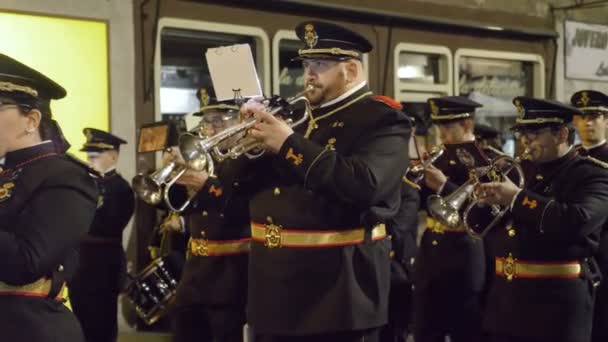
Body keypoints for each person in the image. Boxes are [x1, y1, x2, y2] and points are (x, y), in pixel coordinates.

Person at [239, 20, 411, 341]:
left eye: (321, 64)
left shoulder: (382, 119)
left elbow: (365, 184)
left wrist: (288, 143)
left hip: (336, 295)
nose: (309, 74)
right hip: (273, 289)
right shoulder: (296, 116)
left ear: (351, 71)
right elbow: (245, 190)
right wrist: (244, 146)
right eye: (307, 64)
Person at [477, 96, 608, 342]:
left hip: (555, 305)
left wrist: (515, 198)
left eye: (535, 133)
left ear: (561, 134)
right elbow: (489, 228)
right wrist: (483, 202)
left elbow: (578, 221)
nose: (526, 140)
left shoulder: (592, 175)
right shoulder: (520, 171)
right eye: (522, 133)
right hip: (506, 300)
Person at [0, 53, 98, 341]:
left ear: (31, 120)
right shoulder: (7, 171)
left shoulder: (66, 176)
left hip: (29, 328)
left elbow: (26, 262)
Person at [167, 88, 251, 342]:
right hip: (195, 275)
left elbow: (246, 207)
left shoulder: (251, 157)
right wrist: (177, 176)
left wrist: (207, 186)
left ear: (240, 120)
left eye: (218, 121)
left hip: (232, 277)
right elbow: (180, 206)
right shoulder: (207, 160)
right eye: (206, 122)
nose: (210, 129)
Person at [413, 96, 491, 342]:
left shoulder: (486, 159)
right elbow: (419, 204)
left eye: (448, 127)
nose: (441, 133)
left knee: (465, 329)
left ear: (467, 124)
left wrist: (444, 185)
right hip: (431, 253)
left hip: (464, 254)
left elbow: (485, 210)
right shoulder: (439, 155)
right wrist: (415, 179)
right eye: (439, 126)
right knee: (425, 328)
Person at [69, 128, 135, 342]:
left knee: (102, 323)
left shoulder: (121, 188)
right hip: (80, 264)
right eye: (88, 156)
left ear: (113, 156)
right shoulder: (86, 184)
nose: (90, 161)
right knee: (80, 320)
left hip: (104, 264)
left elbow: (106, 225)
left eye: (95, 156)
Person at [379, 105, 421, 342]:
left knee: (394, 332)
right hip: (374, 272)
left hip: (396, 273)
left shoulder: (408, 189)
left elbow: (395, 231)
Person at [571, 90, 608, 342]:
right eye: (582, 117)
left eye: (595, 116)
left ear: (607, 120)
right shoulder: (568, 157)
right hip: (573, 253)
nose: (588, 122)